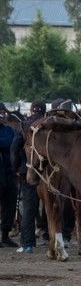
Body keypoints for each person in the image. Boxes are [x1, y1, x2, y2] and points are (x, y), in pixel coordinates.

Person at [10, 100, 46, 253]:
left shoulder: (25, 125)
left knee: (29, 207)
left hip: (28, 171)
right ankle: (55, 238)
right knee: (51, 205)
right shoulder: (47, 124)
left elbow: (14, 148)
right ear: (44, 112)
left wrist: (16, 168)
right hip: (47, 172)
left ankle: (27, 244)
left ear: (31, 110)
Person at [0, 103, 17, 247]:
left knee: (10, 205)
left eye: (4, 112)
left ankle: (5, 235)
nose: (3, 115)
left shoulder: (9, 130)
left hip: (9, 173)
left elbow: (12, 143)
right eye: (1, 113)